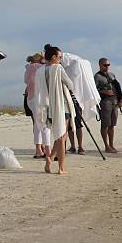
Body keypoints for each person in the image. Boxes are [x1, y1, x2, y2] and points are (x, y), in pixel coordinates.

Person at [35, 45, 75, 175]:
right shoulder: (58, 68)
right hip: (61, 104)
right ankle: (61, 167)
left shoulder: (40, 71)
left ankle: (50, 159)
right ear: (53, 57)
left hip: (48, 106)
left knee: (59, 135)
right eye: (59, 57)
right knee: (62, 136)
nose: (60, 60)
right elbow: (70, 84)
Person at [24, 52, 51, 159]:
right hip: (38, 98)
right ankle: (46, 150)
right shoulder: (39, 67)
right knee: (44, 124)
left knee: (37, 124)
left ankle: (39, 149)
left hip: (31, 97)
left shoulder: (29, 67)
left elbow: (26, 81)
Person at [94, 58, 122, 153]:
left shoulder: (112, 75)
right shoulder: (97, 76)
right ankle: (106, 146)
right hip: (105, 102)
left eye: (108, 65)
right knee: (105, 124)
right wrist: (104, 91)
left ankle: (111, 145)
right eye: (105, 65)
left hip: (114, 101)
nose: (107, 67)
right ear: (100, 65)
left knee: (112, 125)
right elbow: (94, 91)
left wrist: (120, 98)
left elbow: (117, 87)